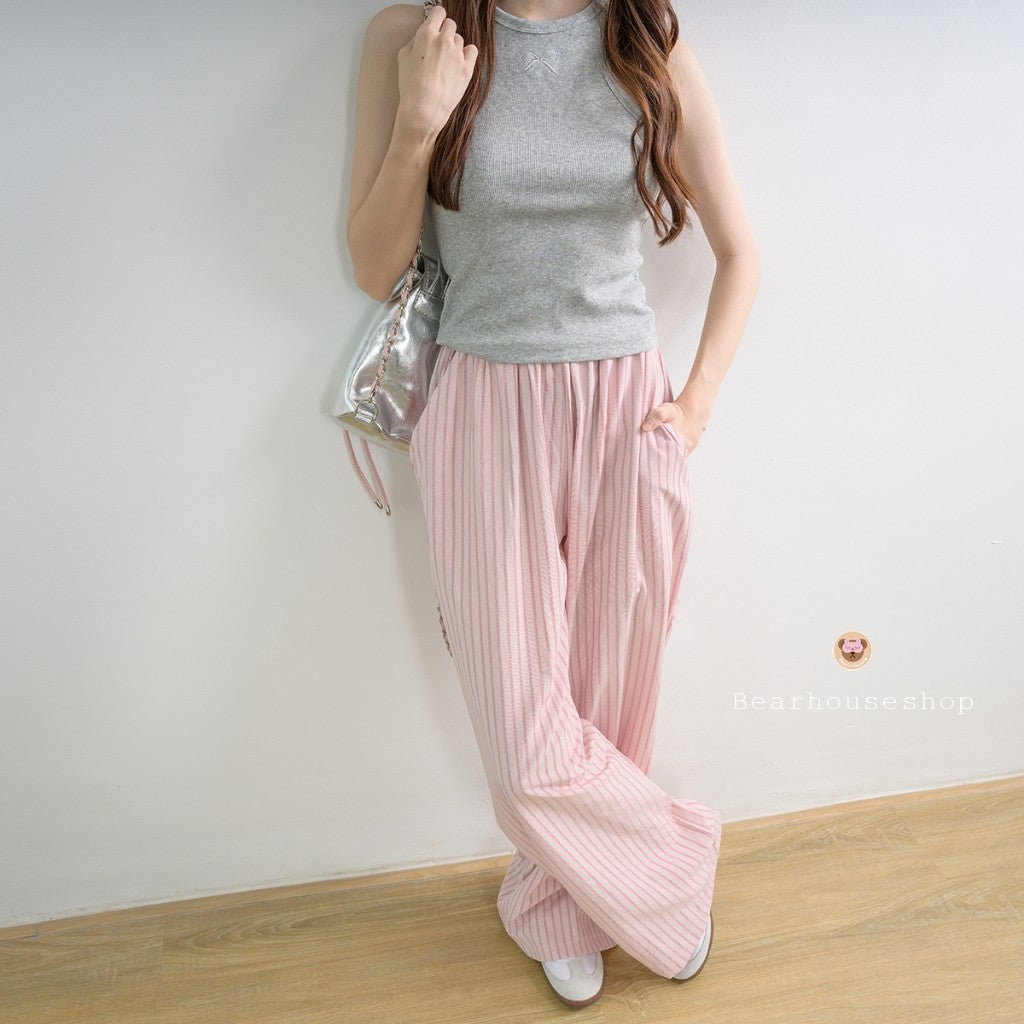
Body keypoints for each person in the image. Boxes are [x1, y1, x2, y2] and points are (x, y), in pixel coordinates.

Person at [347, 0, 759, 1009]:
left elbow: (742, 253)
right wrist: (418, 122)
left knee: (613, 698)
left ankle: (562, 909)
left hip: (628, 408)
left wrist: (695, 407)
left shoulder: (644, 43)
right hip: (482, 403)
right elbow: (372, 266)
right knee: (526, 733)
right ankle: (669, 865)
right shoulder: (413, 36)